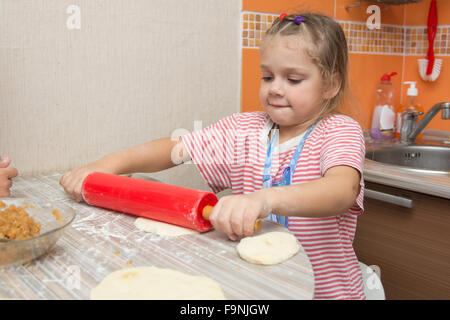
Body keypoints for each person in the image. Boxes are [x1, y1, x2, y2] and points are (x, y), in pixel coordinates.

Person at [60, 13, 366, 299]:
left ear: (330, 84)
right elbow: (173, 149)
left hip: (328, 292)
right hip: (259, 289)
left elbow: (341, 190)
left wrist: (264, 199)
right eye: (268, 77)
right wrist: (103, 167)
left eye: (293, 79)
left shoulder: (339, 131)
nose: (275, 89)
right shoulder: (244, 129)